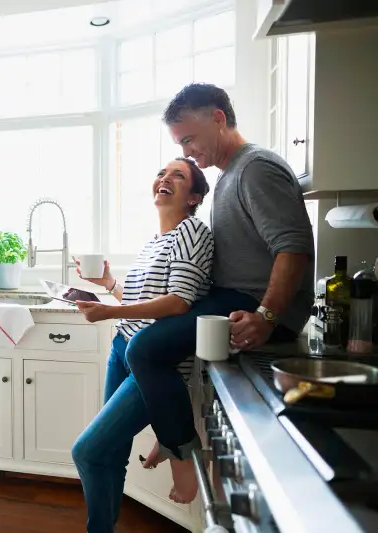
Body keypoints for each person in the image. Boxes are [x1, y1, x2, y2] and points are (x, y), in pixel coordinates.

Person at [78, 83, 315, 516]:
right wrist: (114, 288)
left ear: (218, 119)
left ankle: (180, 455)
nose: (186, 152)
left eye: (188, 139)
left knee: (146, 348)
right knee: (140, 362)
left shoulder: (256, 167)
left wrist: (266, 314)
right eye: (178, 144)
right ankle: (172, 448)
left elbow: (293, 246)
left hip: (247, 302)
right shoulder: (231, 175)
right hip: (231, 297)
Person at [70, 156, 213, 533]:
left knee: (87, 451)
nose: (164, 179)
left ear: (194, 196)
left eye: (177, 176)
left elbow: (178, 301)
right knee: (110, 452)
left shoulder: (192, 232)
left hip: (152, 364)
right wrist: (110, 285)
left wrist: (108, 312)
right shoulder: (156, 241)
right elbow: (144, 299)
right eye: (161, 173)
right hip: (124, 349)